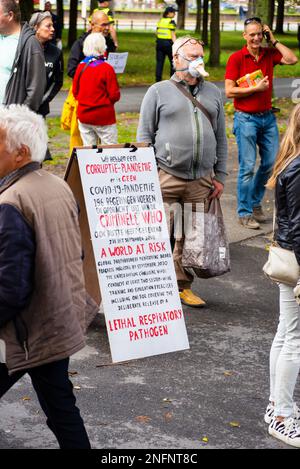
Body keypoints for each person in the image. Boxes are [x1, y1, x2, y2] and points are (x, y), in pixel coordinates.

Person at [0, 104, 92, 449]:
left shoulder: (11, 201)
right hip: (58, 320)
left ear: (21, 153)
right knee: (62, 409)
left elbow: (11, 289)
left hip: (24, 333)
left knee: (61, 408)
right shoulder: (55, 184)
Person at [137, 36, 228, 308]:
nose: (197, 61)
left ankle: (183, 286)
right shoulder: (158, 91)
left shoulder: (213, 92)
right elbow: (144, 136)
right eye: (190, 56)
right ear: (176, 59)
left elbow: (221, 137)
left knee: (190, 237)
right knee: (159, 233)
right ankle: (151, 286)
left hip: (200, 179)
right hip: (165, 175)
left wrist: (220, 176)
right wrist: (147, 174)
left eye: (200, 55)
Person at [225, 17, 297, 230]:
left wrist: (273, 40)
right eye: (252, 34)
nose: (256, 38)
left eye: (259, 34)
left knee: (270, 163)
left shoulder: (268, 54)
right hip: (245, 119)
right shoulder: (236, 58)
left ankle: (255, 202)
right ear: (244, 36)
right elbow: (229, 91)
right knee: (247, 166)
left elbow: (292, 59)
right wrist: (253, 89)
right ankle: (244, 212)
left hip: (267, 118)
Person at [264, 103, 300, 448]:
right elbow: (298, 226)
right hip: (296, 262)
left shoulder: (291, 160)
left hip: (287, 257)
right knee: (295, 340)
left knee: (285, 333)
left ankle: (278, 405)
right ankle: (282, 417)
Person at [73, 32, 120, 145]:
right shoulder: (106, 68)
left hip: (84, 115)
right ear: (102, 47)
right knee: (109, 150)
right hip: (103, 116)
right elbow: (114, 95)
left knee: (88, 150)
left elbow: (75, 92)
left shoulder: (81, 66)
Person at [0, 0, 46, 111]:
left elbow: (35, 90)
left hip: (10, 121)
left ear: (10, 15)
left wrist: (19, 118)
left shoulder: (30, 44)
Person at [29, 11, 63, 119]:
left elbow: (57, 81)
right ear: (36, 28)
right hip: (17, 109)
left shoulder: (56, 52)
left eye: (52, 25)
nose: (53, 29)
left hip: (40, 111)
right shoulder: (23, 48)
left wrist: (43, 100)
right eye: (48, 26)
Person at [67, 10, 116, 79]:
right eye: (103, 25)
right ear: (92, 25)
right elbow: (71, 70)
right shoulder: (80, 43)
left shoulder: (109, 43)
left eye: (108, 24)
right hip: (85, 87)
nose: (107, 28)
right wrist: (92, 78)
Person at [155, 6, 176, 82]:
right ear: (169, 13)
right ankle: (173, 79)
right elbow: (173, 35)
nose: (175, 14)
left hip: (159, 43)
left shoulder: (160, 21)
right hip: (168, 44)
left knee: (159, 62)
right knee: (173, 62)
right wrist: (176, 45)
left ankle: (158, 80)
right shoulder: (171, 22)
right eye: (173, 12)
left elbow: (156, 33)